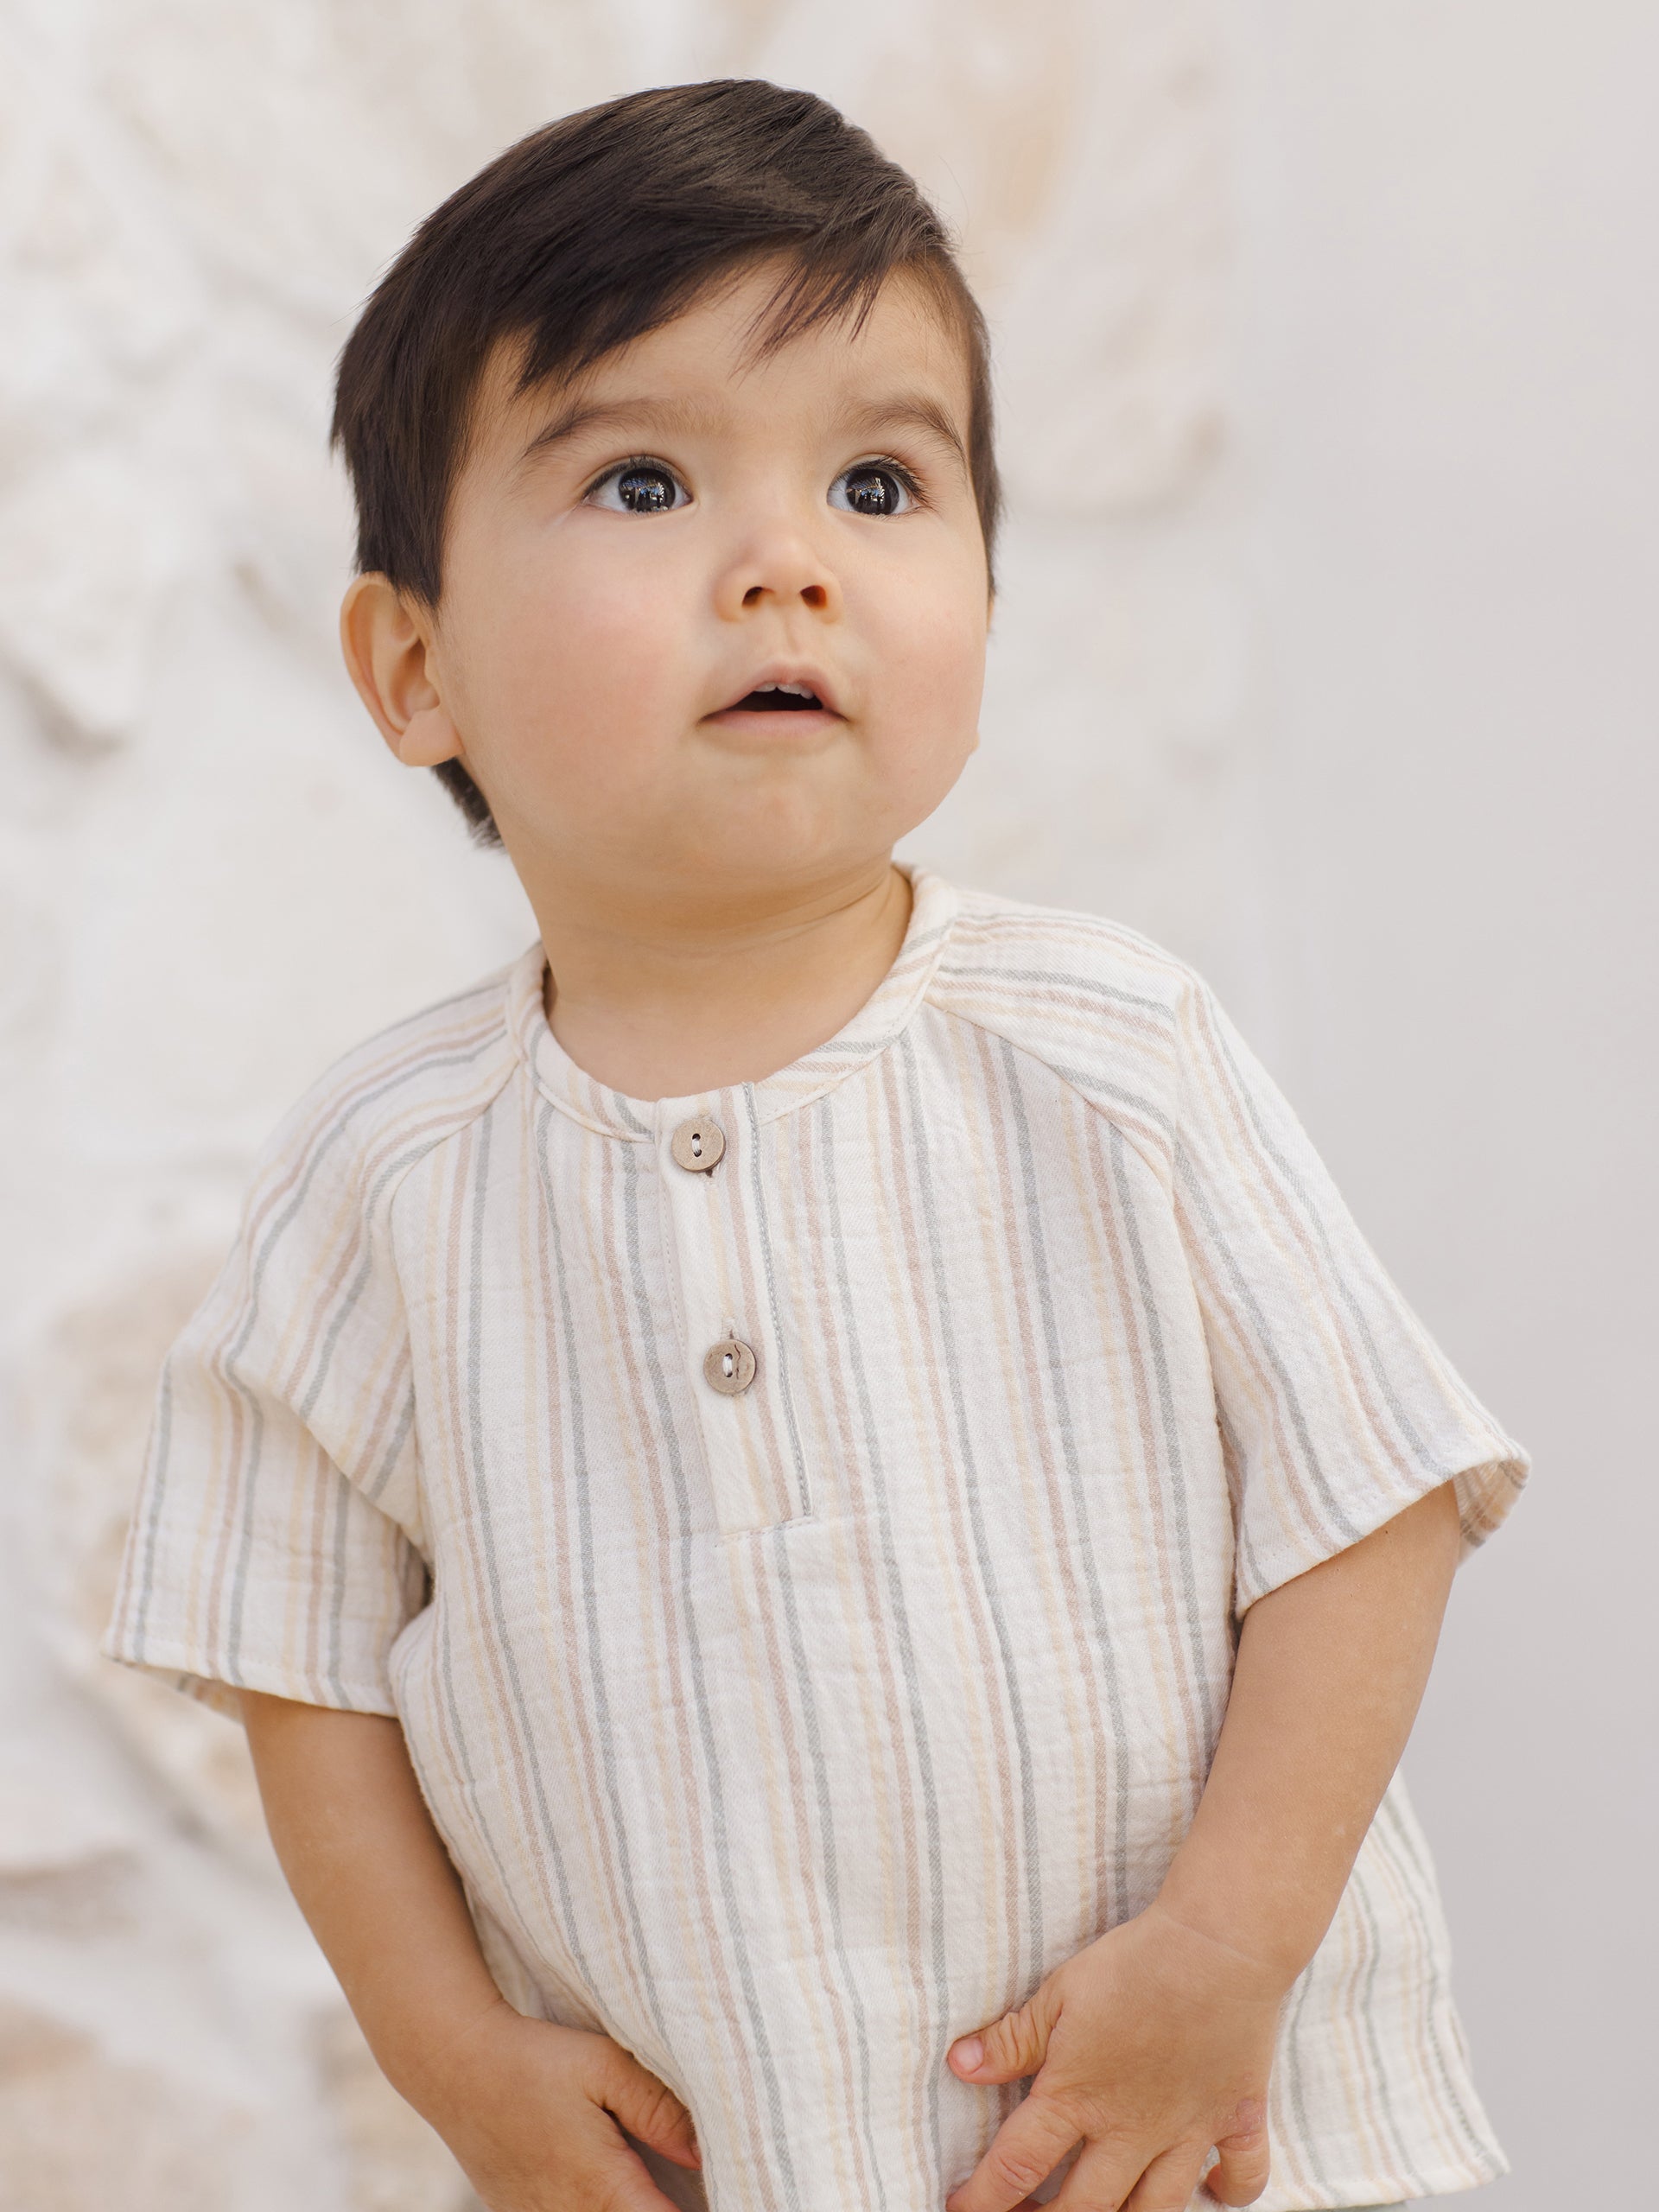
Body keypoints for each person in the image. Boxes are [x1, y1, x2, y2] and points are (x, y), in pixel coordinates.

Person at [103, 79, 1528, 2212]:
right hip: (721, 2153)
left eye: (879, 478)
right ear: (415, 668)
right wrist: (456, 2056)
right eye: (648, 477)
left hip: (1172, 2133)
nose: (787, 561)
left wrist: (1226, 1952)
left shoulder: (1114, 1054)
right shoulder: (386, 1180)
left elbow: (1367, 1509)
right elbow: (292, 1655)